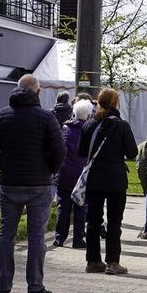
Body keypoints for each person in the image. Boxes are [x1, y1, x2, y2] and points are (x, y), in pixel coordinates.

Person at [0, 75, 66, 293]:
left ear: (17, 89)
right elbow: (60, 151)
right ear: (37, 92)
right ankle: (35, 286)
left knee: (5, 235)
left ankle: (4, 284)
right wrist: (50, 170)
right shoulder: (46, 118)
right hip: (39, 184)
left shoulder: (1, 116)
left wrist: (5, 165)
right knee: (36, 236)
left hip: (9, 183)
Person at [78, 88, 138, 275]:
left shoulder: (89, 124)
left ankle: (93, 261)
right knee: (114, 222)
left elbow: (81, 151)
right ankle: (113, 262)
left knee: (93, 221)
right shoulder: (121, 125)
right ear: (115, 103)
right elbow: (132, 153)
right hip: (115, 179)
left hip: (94, 178)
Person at [53, 99, 94, 248]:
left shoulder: (65, 128)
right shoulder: (88, 131)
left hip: (64, 173)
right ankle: (78, 239)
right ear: (89, 115)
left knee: (63, 207)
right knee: (81, 207)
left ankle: (59, 238)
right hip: (82, 175)